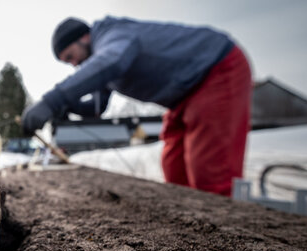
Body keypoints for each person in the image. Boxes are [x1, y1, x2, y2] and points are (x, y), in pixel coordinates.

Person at [22, 16, 251, 196]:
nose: (74, 65)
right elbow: (97, 107)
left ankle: (227, 241)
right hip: (183, 97)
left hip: (214, 70)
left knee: (209, 170)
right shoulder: (105, 58)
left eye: (71, 56)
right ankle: (194, 227)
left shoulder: (114, 35)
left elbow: (112, 62)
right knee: (174, 164)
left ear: (84, 37)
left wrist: (53, 100)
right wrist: (68, 107)